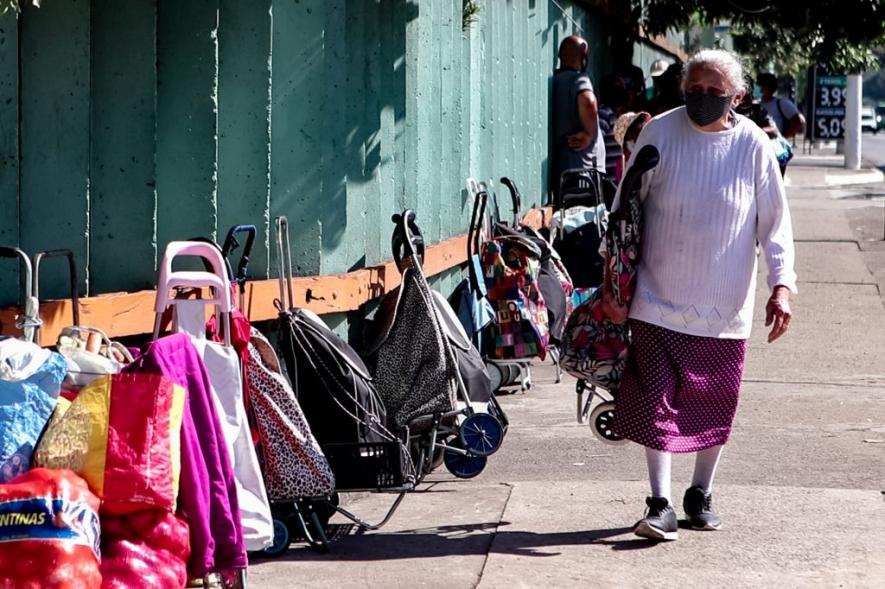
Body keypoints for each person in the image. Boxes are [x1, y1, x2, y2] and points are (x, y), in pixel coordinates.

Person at [603, 49, 797, 541]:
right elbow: (624, 209)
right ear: (682, 89)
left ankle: (700, 493)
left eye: (715, 92)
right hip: (656, 297)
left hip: (724, 305)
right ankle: (659, 502)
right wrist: (614, 282)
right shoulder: (660, 133)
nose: (703, 99)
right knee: (655, 403)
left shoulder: (754, 145)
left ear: (738, 96)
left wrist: (782, 286)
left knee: (715, 402)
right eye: (695, 90)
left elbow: (775, 224)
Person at [551, 35, 606, 199]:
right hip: (584, 170)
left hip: (565, 167)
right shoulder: (578, 79)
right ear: (584, 57)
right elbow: (588, 101)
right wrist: (590, 134)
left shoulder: (557, 80)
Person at [597, 74, 628, 181]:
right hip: (608, 180)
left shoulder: (616, 116)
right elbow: (597, 143)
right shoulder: (604, 114)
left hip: (617, 179)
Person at [757, 73, 805, 139]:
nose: (761, 88)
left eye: (763, 85)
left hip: (774, 146)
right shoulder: (756, 104)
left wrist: (783, 138)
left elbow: (800, 121)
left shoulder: (781, 103)